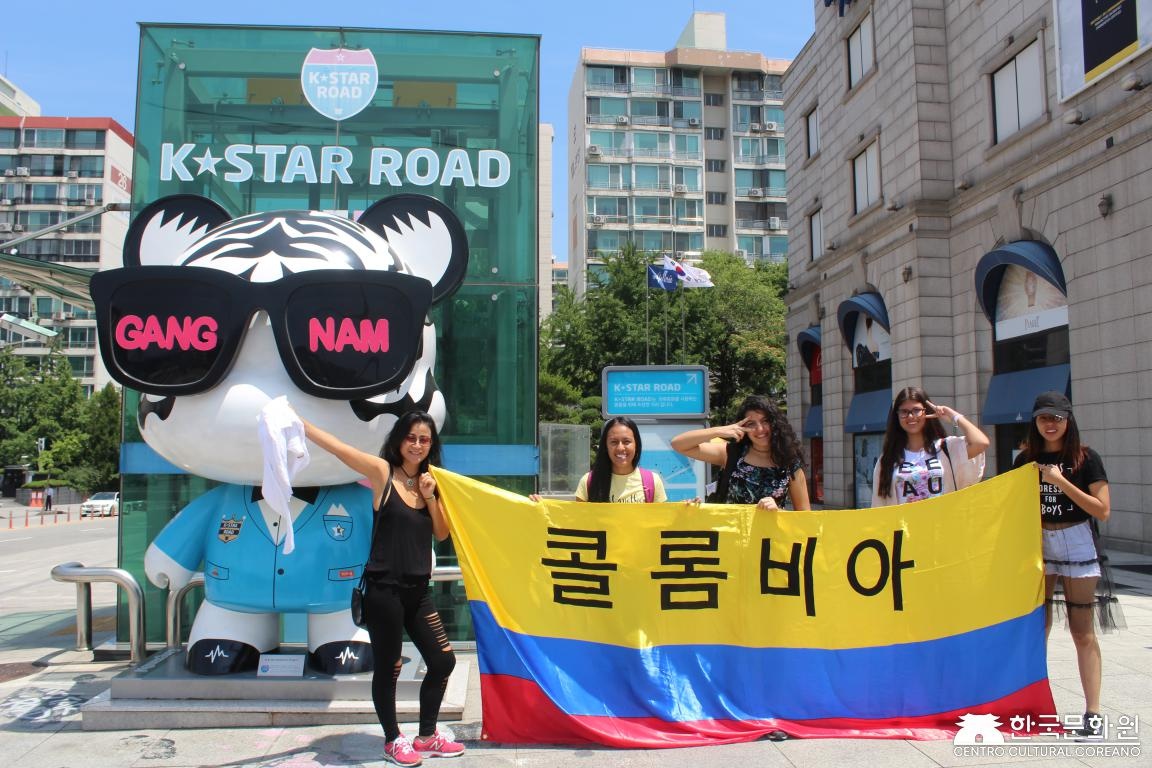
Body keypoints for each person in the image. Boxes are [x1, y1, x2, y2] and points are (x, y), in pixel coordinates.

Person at [300, 410, 463, 766]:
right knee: (390, 666)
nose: (417, 445)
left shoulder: (432, 481)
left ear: (431, 444)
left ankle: (426, 736)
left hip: (418, 591)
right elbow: (340, 449)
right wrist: (302, 425)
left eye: (424, 439)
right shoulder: (383, 472)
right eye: (411, 437)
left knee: (443, 660)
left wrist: (430, 496)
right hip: (383, 591)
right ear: (399, 439)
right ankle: (392, 740)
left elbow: (441, 533)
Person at [1012, 391, 1111, 737]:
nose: (1050, 424)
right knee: (1037, 628)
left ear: (1068, 419)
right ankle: (1032, 705)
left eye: (1056, 417)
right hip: (1037, 542)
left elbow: (1102, 510)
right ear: (1035, 421)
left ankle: (1093, 711)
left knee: (1082, 631)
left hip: (1077, 538)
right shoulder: (1025, 460)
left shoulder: (1086, 458)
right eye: (1043, 418)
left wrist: (1060, 482)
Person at [671, 395, 809, 511]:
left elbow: (805, 518)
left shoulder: (790, 464)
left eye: (765, 421)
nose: (760, 429)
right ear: (742, 427)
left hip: (770, 536)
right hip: (729, 535)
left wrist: (778, 511)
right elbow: (678, 444)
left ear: (775, 423)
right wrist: (720, 430)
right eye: (751, 424)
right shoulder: (731, 453)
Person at [870, 387, 989, 507]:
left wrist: (953, 416)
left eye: (916, 410)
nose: (910, 416)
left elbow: (981, 443)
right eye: (904, 412)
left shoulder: (946, 448)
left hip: (943, 518)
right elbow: (879, 505)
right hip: (904, 520)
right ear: (897, 416)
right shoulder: (888, 459)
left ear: (926, 412)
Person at [533, 417, 668, 503]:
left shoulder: (653, 481)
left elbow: (664, 525)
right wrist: (541, 507)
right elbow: (576, 525)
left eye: (627, 441)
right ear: (605, 446)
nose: (620, 448)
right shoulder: (589, 481)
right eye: (614, 442)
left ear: (636, 444)